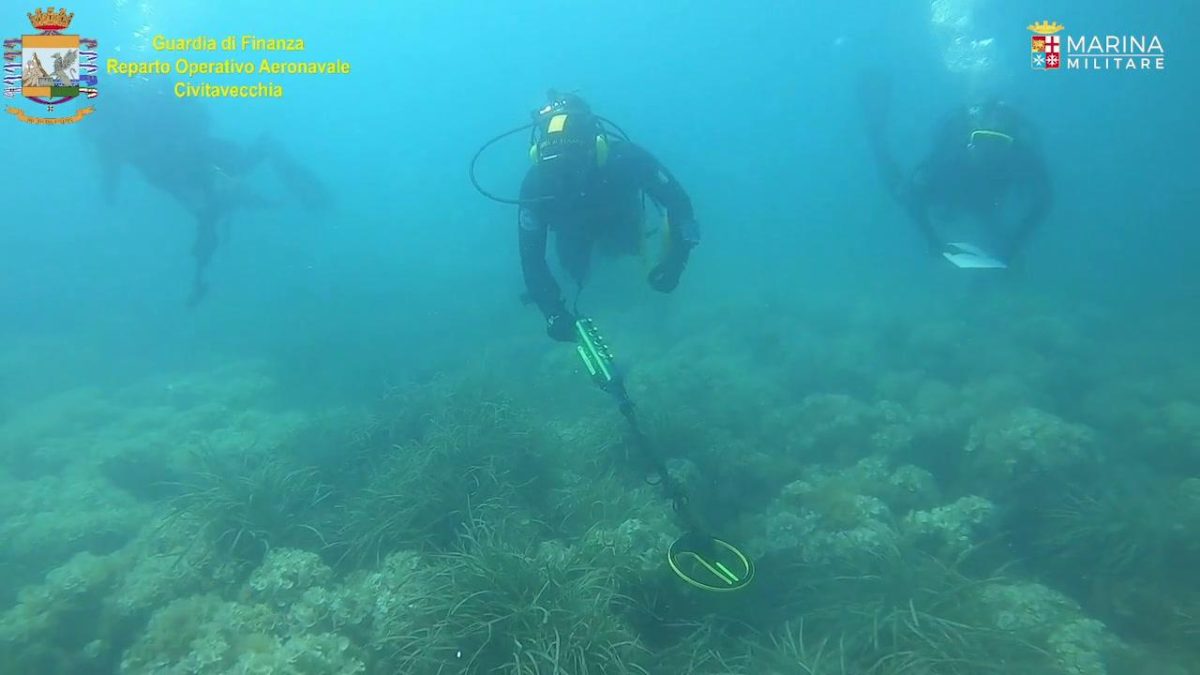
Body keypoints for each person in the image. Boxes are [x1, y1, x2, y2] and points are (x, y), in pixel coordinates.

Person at [84, 83, 331, 307]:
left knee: (211, 209)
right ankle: (201, 278)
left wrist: (110, 190)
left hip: (196, 166)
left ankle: (201, 279)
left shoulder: (115, 131)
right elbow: (114, 168)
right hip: (194, 167)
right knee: (212, 208)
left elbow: (113, 169)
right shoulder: (121, 128)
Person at [516, 91, 700, 341]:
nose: (568, 176)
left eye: (574, 164)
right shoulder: (536, 184)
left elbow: (679, 204)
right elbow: (531, 257)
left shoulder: (625, 159)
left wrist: (677, 261)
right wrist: (552, 312)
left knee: (629, 280)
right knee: (576, 276)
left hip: (623, 227)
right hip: (574, 238)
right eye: (559, 170)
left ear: (598, 146)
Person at [861, 73, 1052, 265]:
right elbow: (912, 197)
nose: (990, 152)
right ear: (969, 142)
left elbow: (1043, 199)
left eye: (998, 144)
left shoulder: (1019, 155)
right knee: (900, 191)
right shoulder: (952, 155)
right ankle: (875, 130)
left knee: (997, 237)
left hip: (983, 201)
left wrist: (1016, 243)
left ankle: (988, 280)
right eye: (982, 141)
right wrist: (933, 241)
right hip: (954, 190)